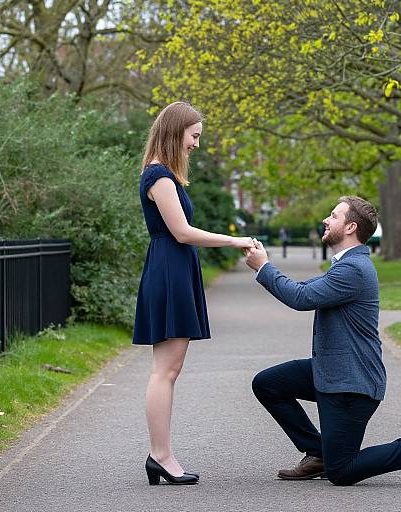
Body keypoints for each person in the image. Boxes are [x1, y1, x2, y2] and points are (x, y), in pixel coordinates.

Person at [244, 196, 401, 487]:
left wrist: (263, 268)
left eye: (333, 216)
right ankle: (318, 453)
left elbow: (300, 298)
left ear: (351, 226)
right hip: (333, 371)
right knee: (268, 384)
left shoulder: (353, 270)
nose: (325, 221)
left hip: (352, 385)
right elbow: (304, 289)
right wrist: (266, 266)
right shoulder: (345, 265)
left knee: (342, 471)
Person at [133, 102, 254, 486]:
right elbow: (182, 232)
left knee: (168, 370)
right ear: (176, 132)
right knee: (164, 371)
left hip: (173, 268)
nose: (196, 145)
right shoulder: (160, 178)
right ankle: (160, 456)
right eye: (194, 136)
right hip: (170, 270)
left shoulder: (162, 174)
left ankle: (161, 455)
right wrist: (234, 241)